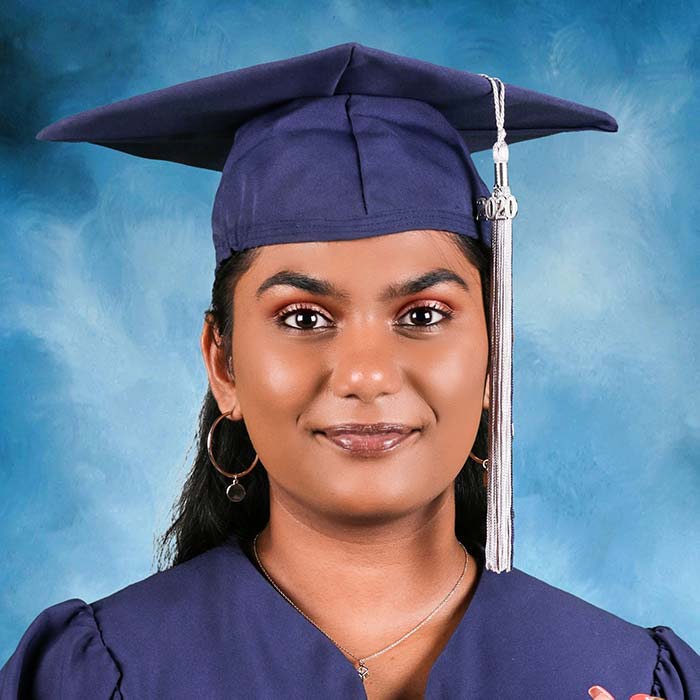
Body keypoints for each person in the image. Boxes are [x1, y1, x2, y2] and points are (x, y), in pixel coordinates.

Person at [0, 42, 697, 700]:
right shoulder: (99, 678)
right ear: (224, 364)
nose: (366, 375)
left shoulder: (628, 676)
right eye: (304, 318)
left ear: (493, 355)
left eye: (424, 314)